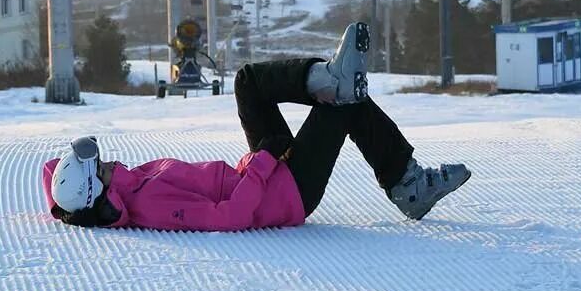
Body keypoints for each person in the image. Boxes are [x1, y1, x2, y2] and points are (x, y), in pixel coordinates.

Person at [42, 22, 471, 232]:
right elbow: (228, 217)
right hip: (287, 193)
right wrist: (264, 162)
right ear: (100, 191)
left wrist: (63, 202)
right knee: (344, 105)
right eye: (101, 168)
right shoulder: (150, 204)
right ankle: (408, 184)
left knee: (247, 82)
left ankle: (324, 77)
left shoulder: (118, 186)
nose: (110, 161)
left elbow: (53, 176)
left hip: (262, 171)